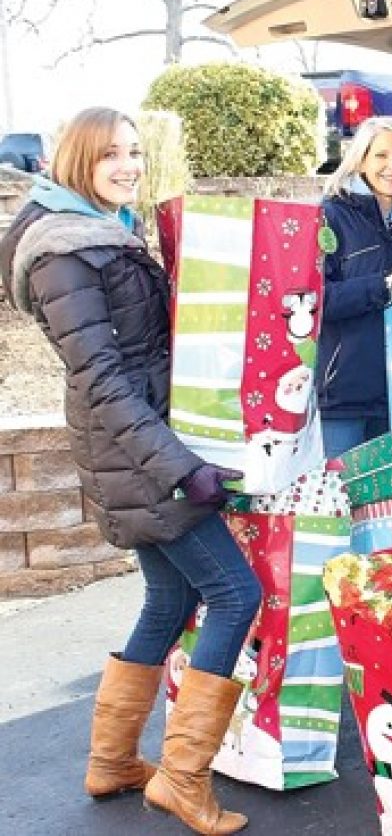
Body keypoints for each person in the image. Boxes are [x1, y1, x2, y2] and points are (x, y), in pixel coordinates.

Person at [0, 107, 261, 836]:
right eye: (111, 153)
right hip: (137, 452)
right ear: (77, 160)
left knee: (168, 602)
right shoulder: (64, 252)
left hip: (137, 443)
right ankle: (183, 780)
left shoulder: (100, 233)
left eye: (135, 152)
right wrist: (184, 470)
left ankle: (113, 762)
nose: (127, 165)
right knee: (236, 594)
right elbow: (104, 381)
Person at [316, 115, 392, 457]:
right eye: (381, 155)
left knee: (390, 505)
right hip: (342, 394)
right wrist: (382, 287)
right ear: (361, 159)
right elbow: (317, 300)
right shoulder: (330, 218)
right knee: (340, 501)